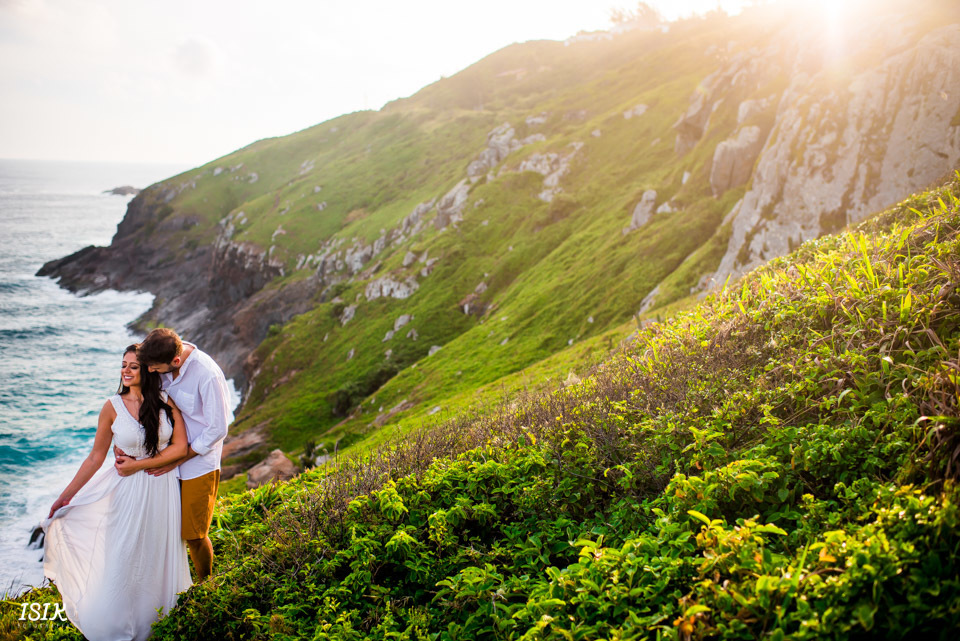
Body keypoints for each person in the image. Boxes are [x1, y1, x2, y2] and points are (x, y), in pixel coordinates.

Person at [43, 344, 192, 641]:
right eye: (123, 365)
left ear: (148, 370)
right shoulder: (112, 406)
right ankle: (116, 624)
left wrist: (140, 464)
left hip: (161, 489)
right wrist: (66, 496)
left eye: (133, 366)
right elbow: (96, 457)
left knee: (156, 553)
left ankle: (155, 622)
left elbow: (180, 447)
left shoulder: (166, 401)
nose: (125, 370)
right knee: (124, 555)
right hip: (126, 492)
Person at [124, 328, 232, 581]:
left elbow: (218, 428)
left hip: (198, 464)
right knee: (163, 531)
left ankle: (205, 583)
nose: (150, 372)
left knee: (194, 533)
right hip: (162, 457)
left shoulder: (207, 375)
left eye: (155, 368)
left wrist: (182, 456)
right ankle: (168, 582)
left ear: (175, 361)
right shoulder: (159, 357)